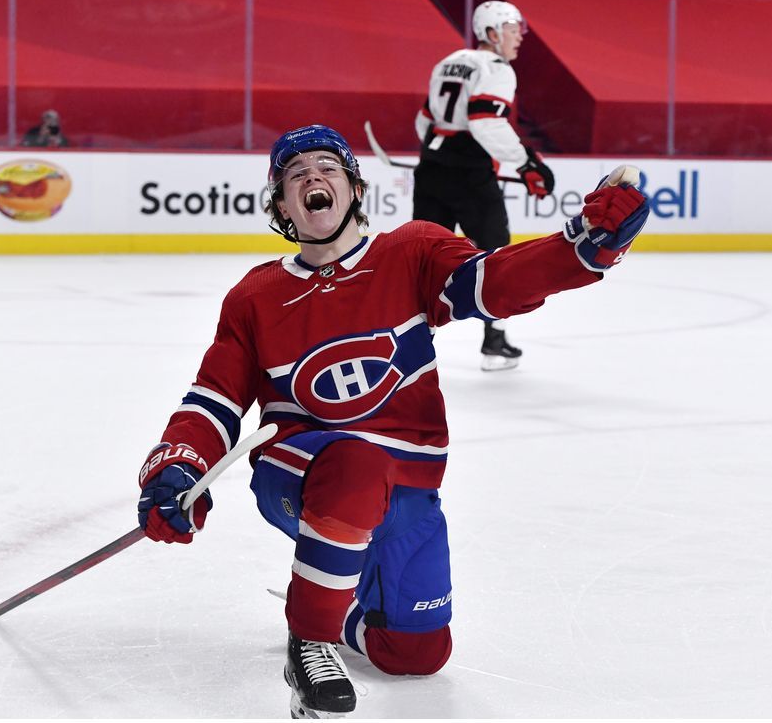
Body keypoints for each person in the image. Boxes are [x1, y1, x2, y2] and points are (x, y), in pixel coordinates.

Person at [135, 125, 648, 718]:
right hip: (300, 473)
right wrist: (177, 467)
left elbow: (496, 281)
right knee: (357, 463)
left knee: (414, 653)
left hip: (408, 492)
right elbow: (213, 403)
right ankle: (312, 639)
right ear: (280, 206)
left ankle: (340, 602)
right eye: (294, 175)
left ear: (353, 186)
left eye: (326, 167)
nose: (311, 179)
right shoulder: (255, 296)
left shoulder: (410, 252)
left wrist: (579, 250)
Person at [412, 0, 555, 371]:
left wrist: (437, 155)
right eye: (512, 29)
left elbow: (425, 121)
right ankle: (494, 342)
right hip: (470, 174)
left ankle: (405, 345)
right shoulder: (497, 69)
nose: (519, 37)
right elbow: (484, 122)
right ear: (492, 33)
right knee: (495, 256)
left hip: (431, 169)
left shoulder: (448, 62)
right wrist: (526, 163)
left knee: (420, 260)